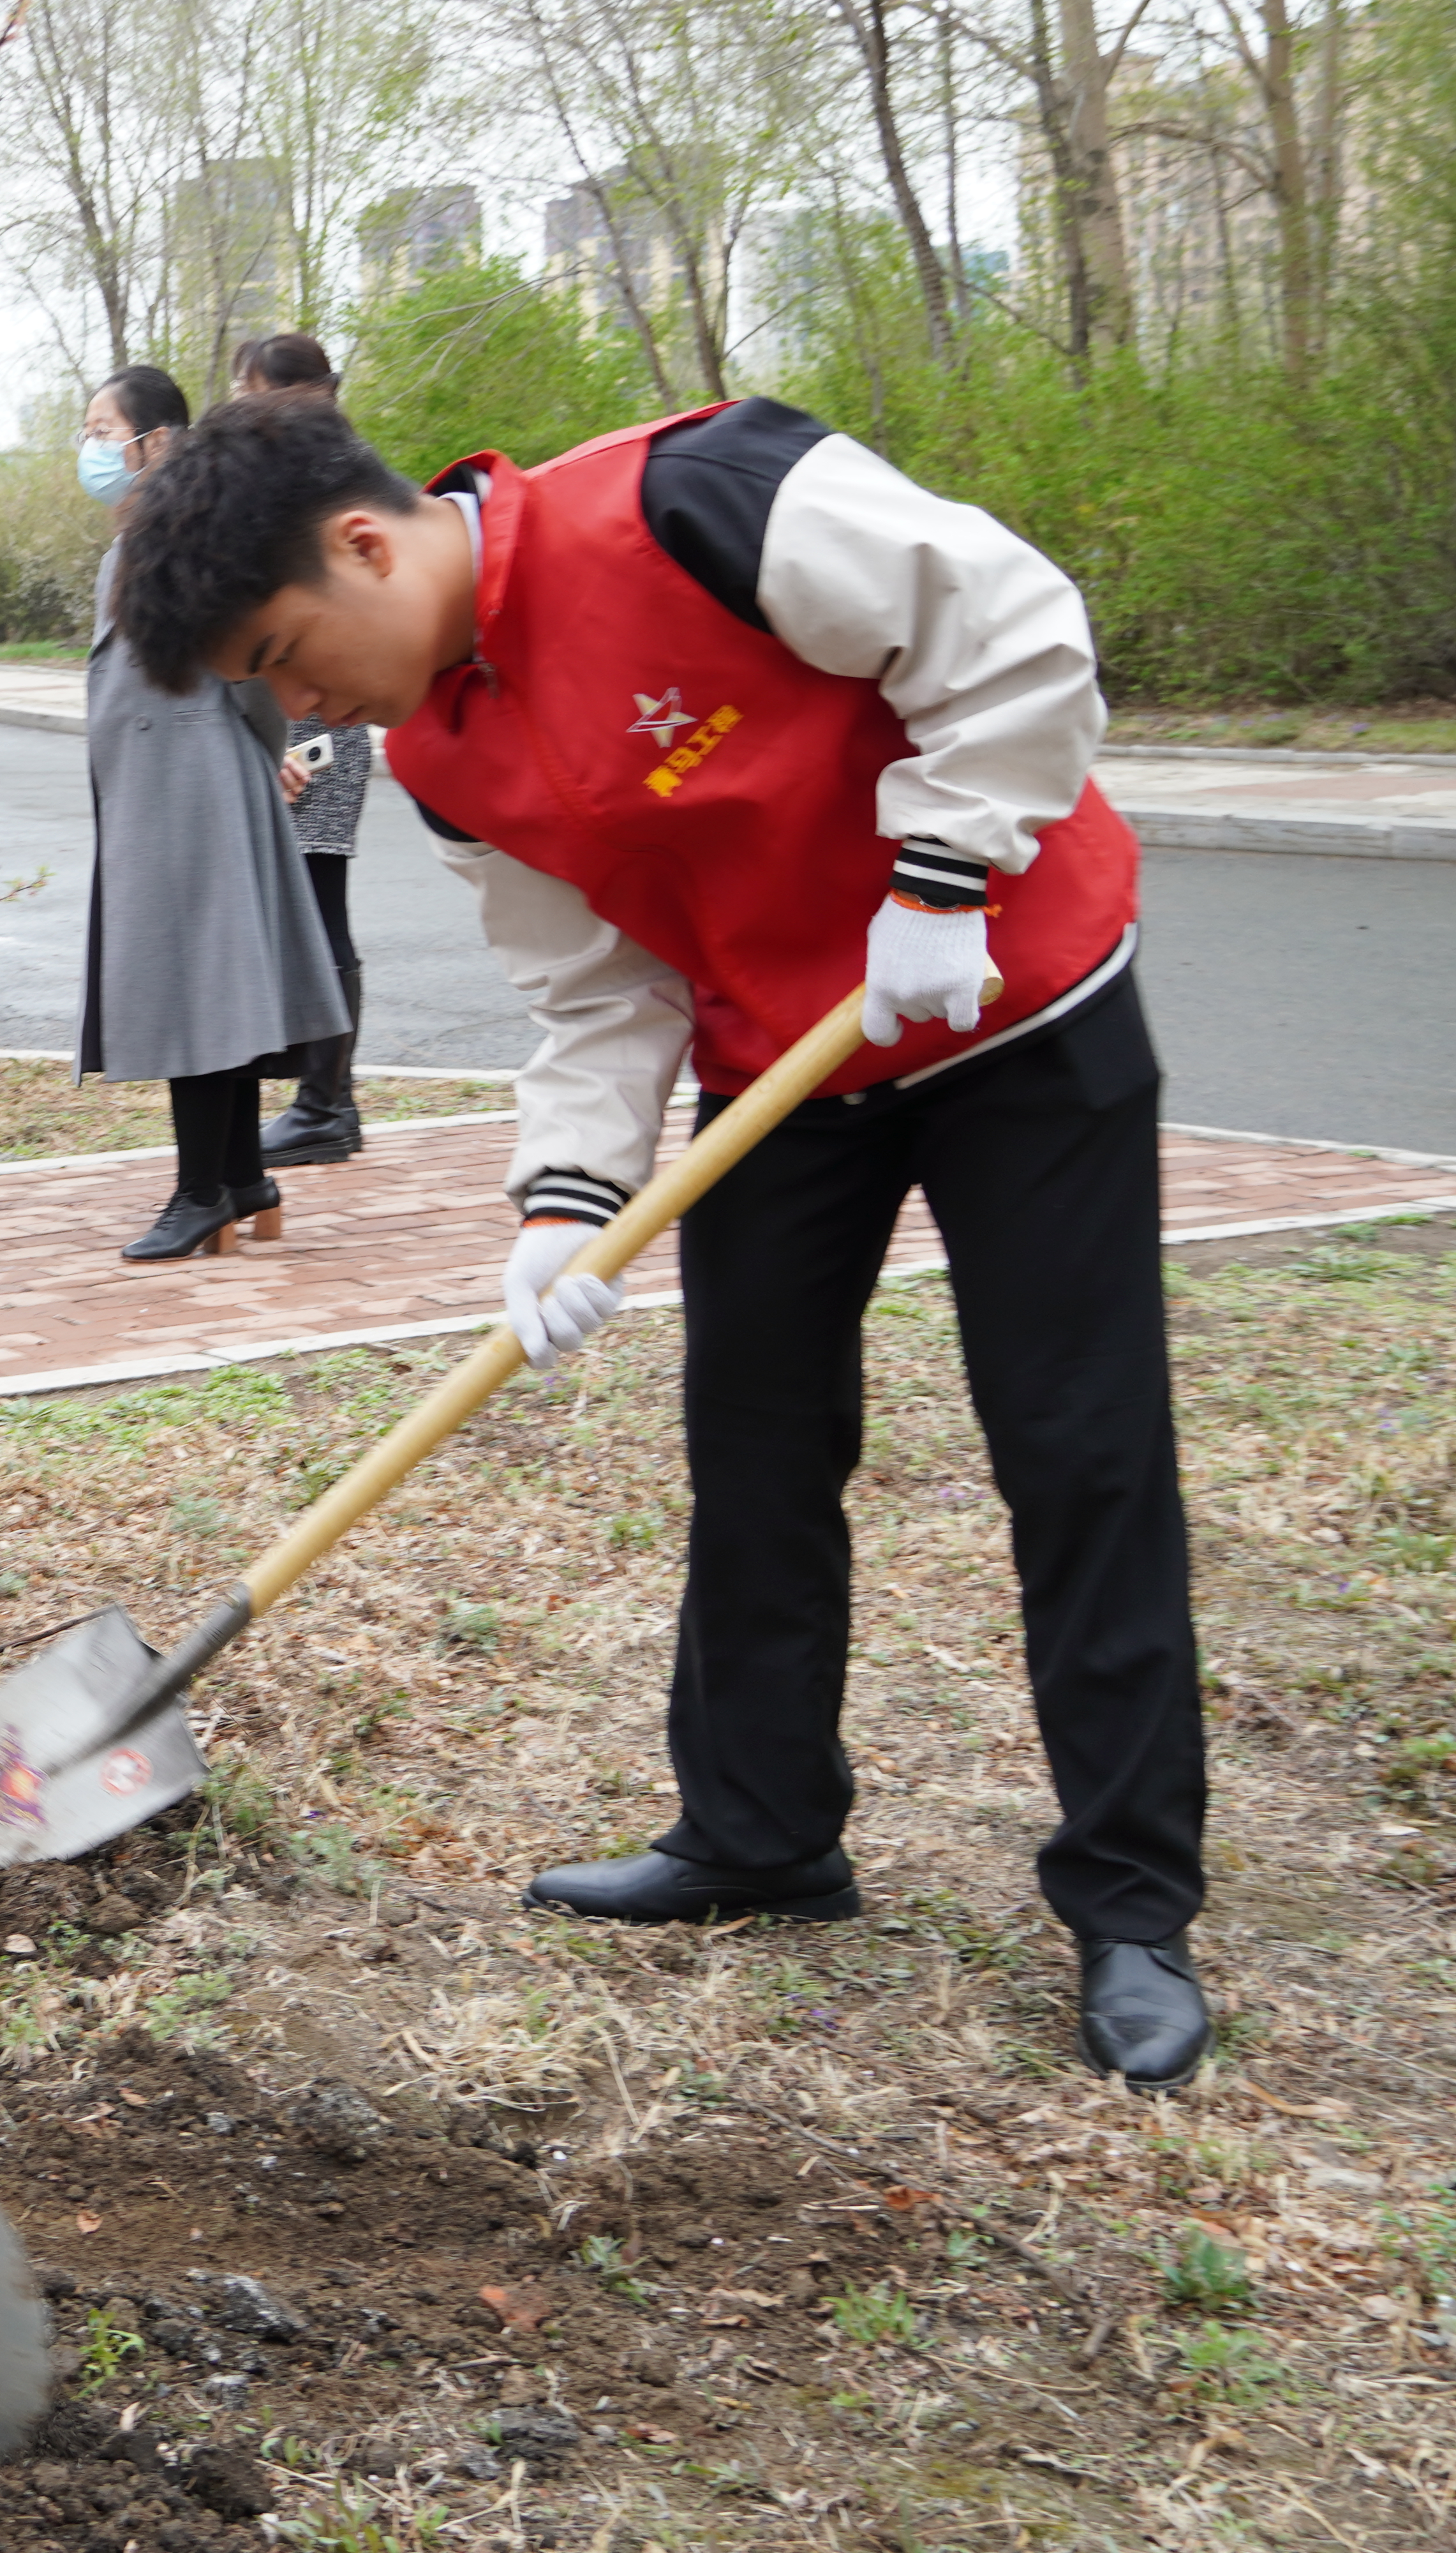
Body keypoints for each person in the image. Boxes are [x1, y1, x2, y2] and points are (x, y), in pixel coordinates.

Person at [110, 391, 1208, 2091]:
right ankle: (761, 1832)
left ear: (365, 541)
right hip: (790, 1058)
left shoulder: (701, 501)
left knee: (1078, 1448)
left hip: (1015, 1004)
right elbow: (596, 987)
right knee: (756, 1442)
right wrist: (566, 1205)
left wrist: (946, 874)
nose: (302, 707)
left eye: (287, 652)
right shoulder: (450, 760)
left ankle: (1131, 1902)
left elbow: (1007, 624)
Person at [76, 365, 347, 1262]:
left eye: (104, 428)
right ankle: (236, 1177)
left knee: (198, 981)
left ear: (156, 441)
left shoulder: (190, 530)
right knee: (211, 977)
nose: (93, 448)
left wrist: (266, 753)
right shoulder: (138, 536)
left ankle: (201, 1193)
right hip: (169, 781)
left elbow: (252, 661)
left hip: (194, 777)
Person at [229, 332, 370, 1167]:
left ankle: (327, 1104)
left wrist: (286, 742)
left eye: (247, 390)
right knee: (314, 909)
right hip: (311, 717)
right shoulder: (324, 475)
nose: (239, 406)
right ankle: (325, 1101)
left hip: (320, 722)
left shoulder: (318, 483)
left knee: (320, 908)